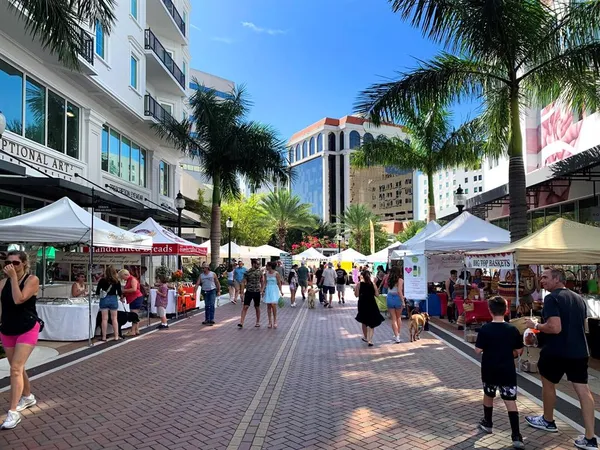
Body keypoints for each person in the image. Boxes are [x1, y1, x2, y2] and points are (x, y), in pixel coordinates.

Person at [525, 268, 597, 450]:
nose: (541, 280)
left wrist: (536, 325)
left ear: (557, 279)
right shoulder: (578, 298)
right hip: (579, 351)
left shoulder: (552, 298)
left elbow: (554, 327)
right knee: (583, 391)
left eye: (545, 277)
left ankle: (548, 420)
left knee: (548, 384)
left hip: (556, 351)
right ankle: (590, 437)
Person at [475, 296, 524, 449]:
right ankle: (516, 435)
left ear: (490, 310)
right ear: (506, 310)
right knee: (510, 401)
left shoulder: (485, 329)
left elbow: (478, 350)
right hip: (507, 369)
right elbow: (519, 350)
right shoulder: (512, 329)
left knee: (488, 395)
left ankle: (488, 423)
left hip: (489, 368)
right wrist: (510, 354)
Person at [0, 251, 41, 430]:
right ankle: (28, 396)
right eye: (8, 263)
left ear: (24, 263)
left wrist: (13, 278)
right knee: (18, 367)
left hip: (27, 327)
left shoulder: (32, 280)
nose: (11, 266)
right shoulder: (2, 283)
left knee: (15, 368)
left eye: (16, 263)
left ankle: (13, 411)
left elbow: (19, 299)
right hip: (8, 328)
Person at [354, 270, 384, 347]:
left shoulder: (359, 284)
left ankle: (366, 337)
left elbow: (356, 295)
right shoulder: (373, 284)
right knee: (372, 321)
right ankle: (370, 340)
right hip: (371, 303)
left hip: (362, 304)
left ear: (362, 276)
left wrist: (357, 289)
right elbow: (377, 294)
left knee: (364, 320)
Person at [95, 265, 122, 342]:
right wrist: (122, 297)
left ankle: (104, 337)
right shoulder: (117, 281)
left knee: (104, 319)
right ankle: (116, 336)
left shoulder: (102, 280)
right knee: (114, 318)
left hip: (104, 299)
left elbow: (97, 292)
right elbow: (119, 292)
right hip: (113, 299)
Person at [239, 259, 263, 328]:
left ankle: (258, 322)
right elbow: (243, 282)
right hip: (249, 291)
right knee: (245, 306)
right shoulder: (247, 272)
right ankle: (241, 322)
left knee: (257, 307)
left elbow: (262, 281)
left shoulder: (260, 272)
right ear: (253, 264)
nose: (258, 265)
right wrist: (242, 292)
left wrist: (262, 290)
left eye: (259, 264)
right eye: (257, 264)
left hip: (257, 291)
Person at [119, 269, 143, 337]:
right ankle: (136, 329)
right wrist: (124, 296)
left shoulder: (132, 279)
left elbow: (134, 289)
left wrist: (124, 290)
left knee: (133, 315)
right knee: (135, 314)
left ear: (125, 275)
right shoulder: (129, 280)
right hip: (133, 298)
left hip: (136, 298)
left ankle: (133, 331)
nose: (122, 279)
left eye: (122, 277)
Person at [386, 266, 406, 344]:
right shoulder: (400, 280)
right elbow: (399, 291)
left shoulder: (388, 279)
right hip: (397, 298)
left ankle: (396, 335)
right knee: (398, 317)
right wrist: (403, 300)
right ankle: (398, 334)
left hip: (389, 297)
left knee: (393, 318)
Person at [262, 262, 284, 329]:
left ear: (270, 266)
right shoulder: (266, 274)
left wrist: (281, 291)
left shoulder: (276, 273)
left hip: (274, 289)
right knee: (268, 305)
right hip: (268, 289)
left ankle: (275, 321)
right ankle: (269, 322)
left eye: (267, 266)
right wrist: (262, 289)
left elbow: (279, 283)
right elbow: (265, 282)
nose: (266, 267)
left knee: (273, 304)